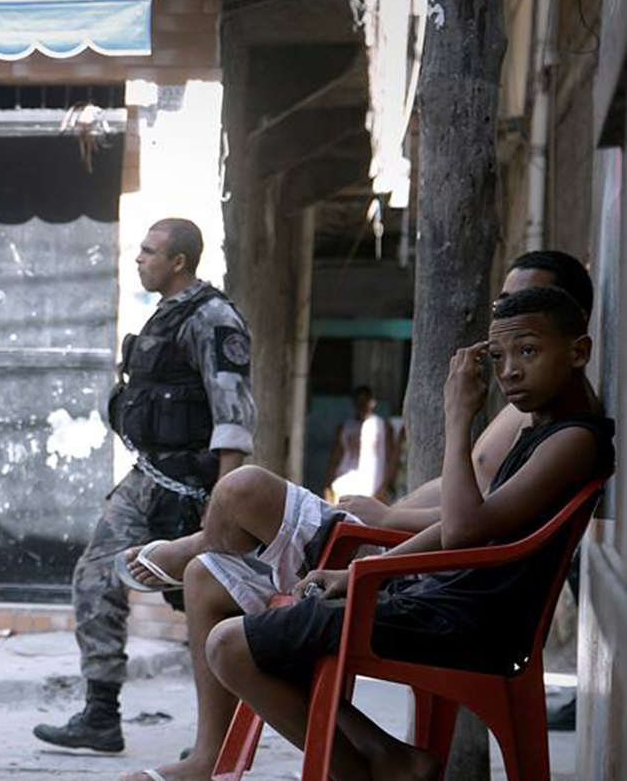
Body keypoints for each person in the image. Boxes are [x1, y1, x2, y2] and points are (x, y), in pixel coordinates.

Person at [115, 250, 597, 781]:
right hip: (433, 592)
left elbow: (465, 528)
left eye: (527, 350)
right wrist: (356, 572)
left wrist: (458, 417)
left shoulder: (573, 441)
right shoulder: (544, 430)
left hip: (459, 617)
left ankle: (372, 766)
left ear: (578, 349)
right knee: (234, 622)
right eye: (500, 354)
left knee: (232, 635)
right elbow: (466, 528)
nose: (509, 371)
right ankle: (385, 761)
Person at [31, 218, 256, 753]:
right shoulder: (166, 315)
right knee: (97, 574)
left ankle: (225, 734)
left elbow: (234, 417)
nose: (139, 258)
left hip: (196, 488)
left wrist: (222, 507)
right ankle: (101, 715)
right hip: (147, 479)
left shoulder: (214, 319)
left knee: (206, 601)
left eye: (150, 251)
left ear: (178, 261)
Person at [322, 385, 394, 502]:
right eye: (358, 401)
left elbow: (390, 458)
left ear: (372, 402)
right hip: (345, 483)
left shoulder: (383, 426)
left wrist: (385, 486)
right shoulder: (345, 427)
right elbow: (336, 457)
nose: (362, 405)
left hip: (373, 486)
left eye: (365, 400)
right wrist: (328, 485)